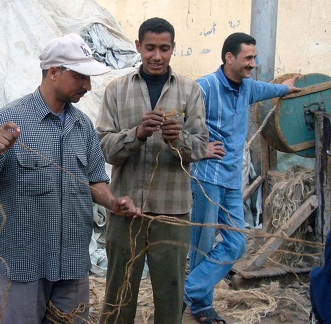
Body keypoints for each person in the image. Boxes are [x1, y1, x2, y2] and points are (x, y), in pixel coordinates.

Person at [0, 33, 141, 324]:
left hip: (72, 263)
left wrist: (113, 203)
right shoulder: (8, 121)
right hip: (23, 264)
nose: (88, 86)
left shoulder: (83, 126)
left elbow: (94, 180)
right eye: (80, 77)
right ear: (54, 72)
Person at [95, 17, 209, 323]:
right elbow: (103, 148)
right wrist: (138, 134)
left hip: (172, 212)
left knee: (170, 295)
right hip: (124, 209)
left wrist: (179, 140)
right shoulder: (116, 90)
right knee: (119, 293)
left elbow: (200, 147)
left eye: (164, 48)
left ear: (173, 49)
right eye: (149, 48)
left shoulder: (190, 91)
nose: (156, 56)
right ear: (138, 47)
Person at [183, 32, 301, 324]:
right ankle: (201, 307)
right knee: (203, 244)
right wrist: (200, 148)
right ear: (229, 58)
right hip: (206, 179)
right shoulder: (204, 86)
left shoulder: (248, 87)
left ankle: (186, 291)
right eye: (248, 58)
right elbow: (176, 124)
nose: (253, 63)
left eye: (254, 57)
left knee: (236, 243)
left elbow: (272, 90)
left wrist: (288, 87)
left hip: (232, 182)